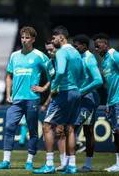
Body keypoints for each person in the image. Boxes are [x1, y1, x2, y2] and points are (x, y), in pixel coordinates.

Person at [0, 26, 52, 171]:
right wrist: (8, 94)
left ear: (33, 39)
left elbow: (53, 75)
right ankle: (6, 161)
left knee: (32, 130)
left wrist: (43, 88)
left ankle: (29, 160)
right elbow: (8, 75)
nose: (24, 40)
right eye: (22, 37)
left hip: (32, 99)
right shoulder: (14, 55)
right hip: (16, 100)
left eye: (27, 38)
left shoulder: (40, 56)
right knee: (9, 127)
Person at [33, 25, 83, 174]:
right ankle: (72, 165)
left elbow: (60, 71)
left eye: (54, 38)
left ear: (61, 37)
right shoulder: (76, 52)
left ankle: (49, 164)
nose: (53, 41)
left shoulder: (62, 52)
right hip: (76, 92)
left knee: (47, 126)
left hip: (64, 93)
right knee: (70, 128)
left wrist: (54, 87)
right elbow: (81, 72)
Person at [72, 34, 103, 172]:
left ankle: (87, 164)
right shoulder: (78, 57)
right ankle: (69, 163)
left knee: (84, 130)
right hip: (79, 99)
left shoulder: (89, 58)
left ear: (84, 46)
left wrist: (82, 91)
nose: (74, 47)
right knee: (80, 129)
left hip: (88, 99)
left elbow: (98, 80)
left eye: (76, 45)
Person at [93, 33, 119, 172]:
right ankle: (118, 163)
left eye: (98, 46)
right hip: (113, 102)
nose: (97, 49)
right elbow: (110, 85)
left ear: (106, 44)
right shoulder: (103, 62)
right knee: (116, 132)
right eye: (95, 47)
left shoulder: (114, 55)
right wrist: (108, 103)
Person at [42, 40, 68, 171]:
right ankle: (62, 163)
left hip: (66, 97)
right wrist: (47, 101)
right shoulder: (48, 64)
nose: (50, 52)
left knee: (54, 129)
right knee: (58, 130)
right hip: (55, 99)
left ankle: (51, 163)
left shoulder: (64, 60)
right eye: (47, 50)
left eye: (51, 49)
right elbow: (52, 85)